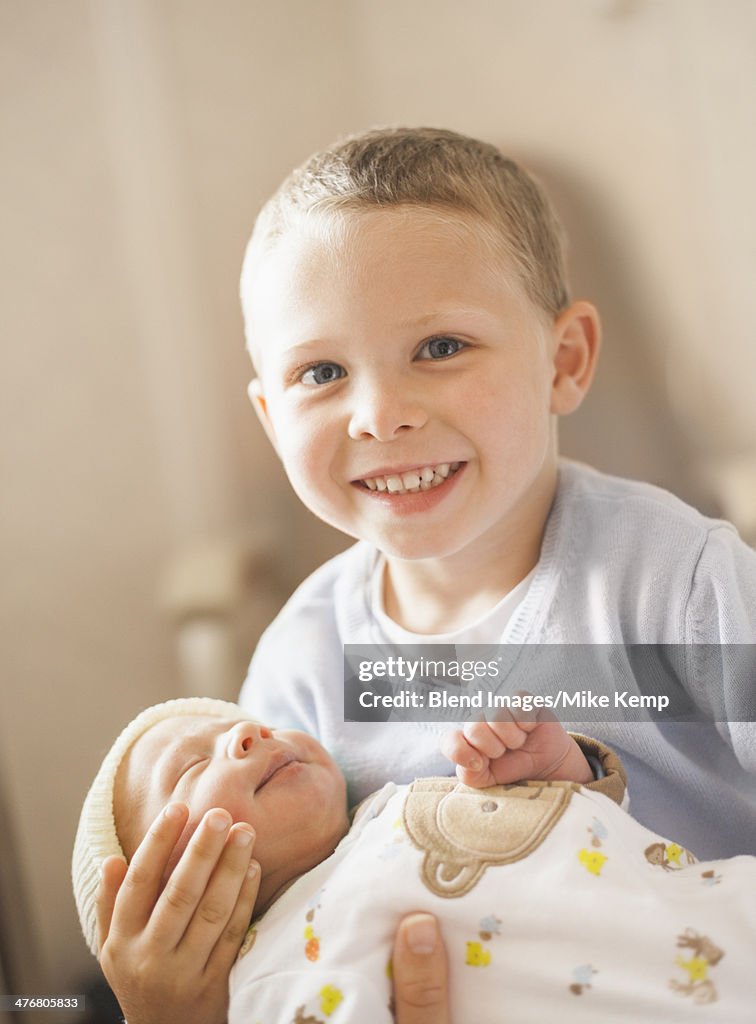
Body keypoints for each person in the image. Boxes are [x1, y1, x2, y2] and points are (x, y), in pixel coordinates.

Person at [96, 126, 756, 1019]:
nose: (380, 415)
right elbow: (281, 937)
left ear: (564, 360)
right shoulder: (306, 660)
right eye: (321, 372)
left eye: (440, 348)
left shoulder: (676, 585)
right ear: (268, 413)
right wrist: (172, 1004)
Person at [76, 698, 756, 1022]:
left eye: (243, 722)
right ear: (166, 904)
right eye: (193, 765)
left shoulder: (389, 809)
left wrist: (558, 780)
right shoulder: (271, 974)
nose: (250, 733)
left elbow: (589, 861)